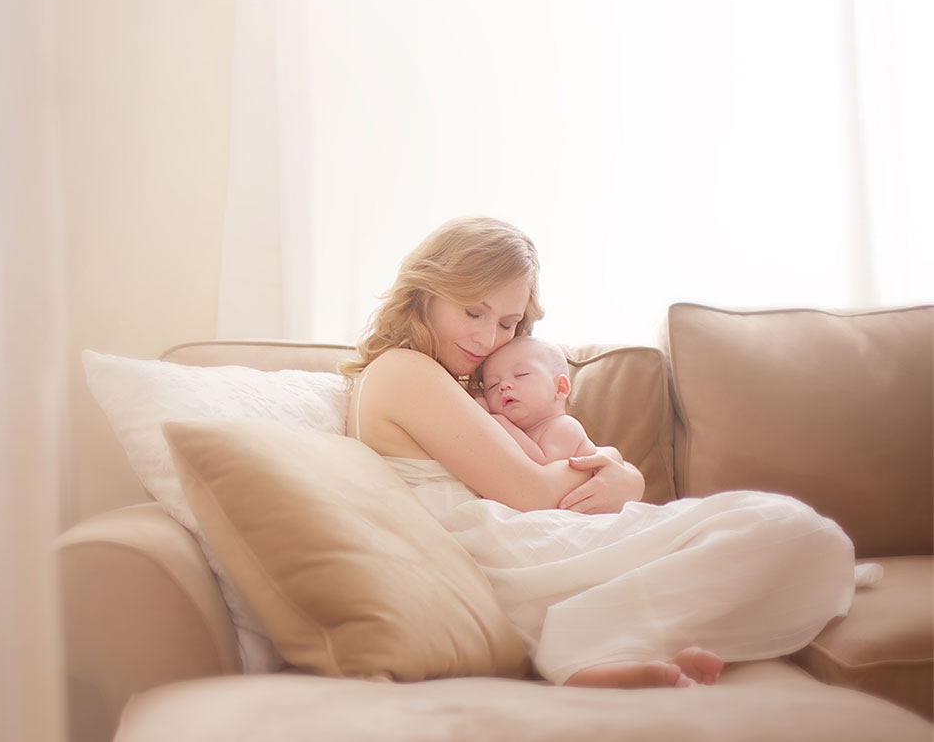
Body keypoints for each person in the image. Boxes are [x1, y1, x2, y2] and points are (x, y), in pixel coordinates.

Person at [344, 216, 858, 689]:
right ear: (426, 291)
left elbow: (536, 473)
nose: (487, 337)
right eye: (473, 310)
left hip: (512, 542)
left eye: (507, 322)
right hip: (492, 548)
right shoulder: (405, 371)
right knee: (786, 529)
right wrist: (625, 479)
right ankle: (585, 640)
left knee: (786, 531)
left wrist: (620, 475)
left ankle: (608, 642)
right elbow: (533, 492)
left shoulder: (454, 382)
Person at [476, 336, 595, 464]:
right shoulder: (522, 432)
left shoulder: (565, 426)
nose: (503, 386)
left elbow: (542, 466)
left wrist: (499, 422)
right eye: (493, 385)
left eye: (521, 374)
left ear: (560, 388)